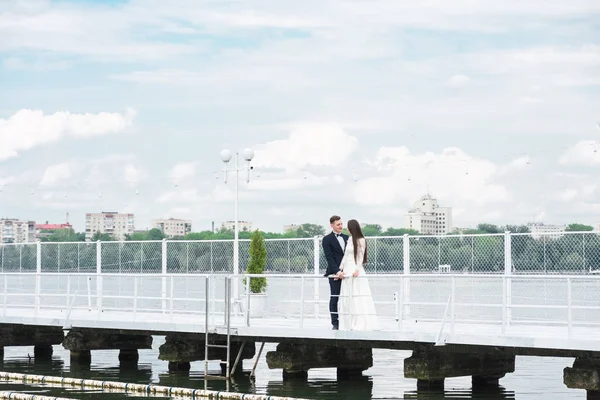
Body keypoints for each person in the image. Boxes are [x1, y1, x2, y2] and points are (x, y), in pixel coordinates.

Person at [338, 219, 378, 331]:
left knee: (357, 294)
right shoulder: (349, 239)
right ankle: (348, 323)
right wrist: (340, 269)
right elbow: (345, 256)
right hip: (347, 269)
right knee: (347, 295)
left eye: (348, 227)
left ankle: (360, 322)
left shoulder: (361, 240)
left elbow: (360, 256)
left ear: (352, 228)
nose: (347, 229)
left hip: (355, 268)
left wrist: (357, 269)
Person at [322, 215, 348, 330]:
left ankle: (348, 320)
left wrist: (346, 271)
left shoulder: (347, 238)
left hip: (347, 273)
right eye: (338, 224)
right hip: (334, 273)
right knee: (334, 297)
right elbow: (329, 257)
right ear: (332, 225)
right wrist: (337, 271)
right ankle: (335, 323)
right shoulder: (327, 239)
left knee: (349, 297)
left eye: (341, 224)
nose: (341, 226)